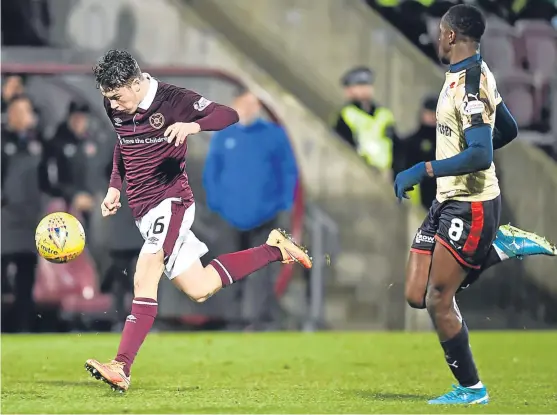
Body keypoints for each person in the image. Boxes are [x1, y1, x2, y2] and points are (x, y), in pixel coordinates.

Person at [83, 50, 312, 392]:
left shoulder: (174, 99)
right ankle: (274, 250)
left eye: (116, 97)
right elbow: (123, 144)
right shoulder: (116, 103)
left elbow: (229, 114)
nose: (113, 106)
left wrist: (194, 125)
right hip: (143, 209)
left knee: (146, 272)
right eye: (108, 99)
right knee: (200, 288)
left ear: (134, 83)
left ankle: (121, 366)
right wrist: (115, 187)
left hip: (171, 202)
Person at [394, 5, 557, 405]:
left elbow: (482, 155)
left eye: (442, 31)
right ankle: (497, 247)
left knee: (438, 298)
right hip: (449, 200)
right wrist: (460, 158)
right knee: (417, 293)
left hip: (472, 206)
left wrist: (425, 168)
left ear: (450, 36)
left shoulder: (470, 83)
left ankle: (472, 389)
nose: (438, 36)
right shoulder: (472, 74)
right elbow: (510, 129)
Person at [203, 89, 298, 329]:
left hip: (266, 215)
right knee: (227, 268)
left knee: (262, 270)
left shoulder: (275, 135)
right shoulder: (224, 135)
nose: (248, 109)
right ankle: (231, 319)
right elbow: (212, 171)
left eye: (253, 104)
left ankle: (259, 319)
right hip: (229, 215)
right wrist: (216, 202)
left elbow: (288, 170)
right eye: (243, 104)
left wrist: (284, 203)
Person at [1, 95, 46, 332]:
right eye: (19, 111)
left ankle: (24, 329)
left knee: (26, 277)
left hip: (30, 220)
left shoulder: (37, 143)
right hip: (4, 219)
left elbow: (47, 180)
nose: (24, 116)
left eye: (27, 111)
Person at [332, 66, 403, 176]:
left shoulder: (384, 114)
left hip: (385, 174)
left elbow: (396, 147)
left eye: (367, 85)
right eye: (359, 85)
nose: (365, 89)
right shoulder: (346, 114)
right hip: (359, 172)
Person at [399, 96, 438, 209]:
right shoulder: (410, 142)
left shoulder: (449, 143)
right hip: (417, 199)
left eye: (435, 113)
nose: (432, 117)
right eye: (429, 113)